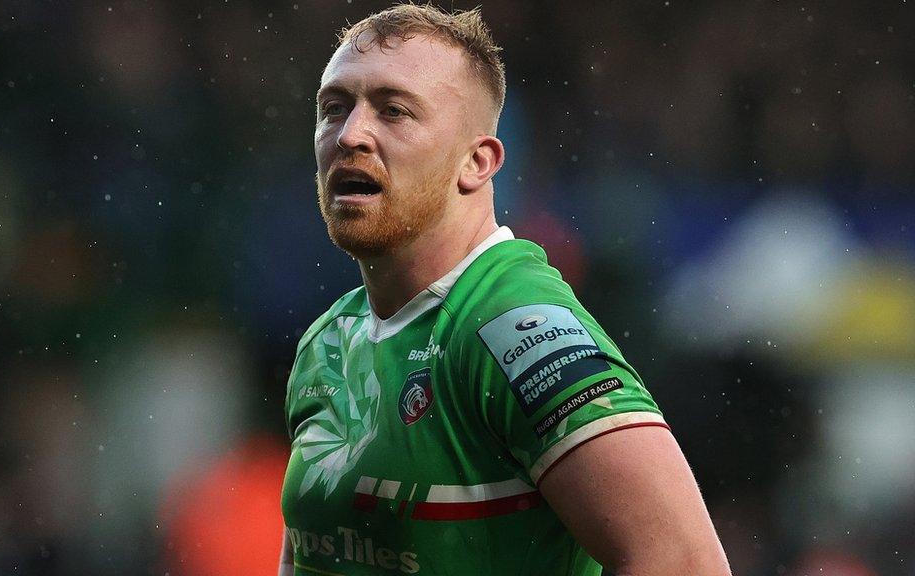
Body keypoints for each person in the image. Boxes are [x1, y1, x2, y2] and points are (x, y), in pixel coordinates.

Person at [280, 4, 731, 575]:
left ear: (477, 162)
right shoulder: (328, 342)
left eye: (393, 111)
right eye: (334, 108)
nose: (350, 135)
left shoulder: (512, 325)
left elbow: (683, 562)